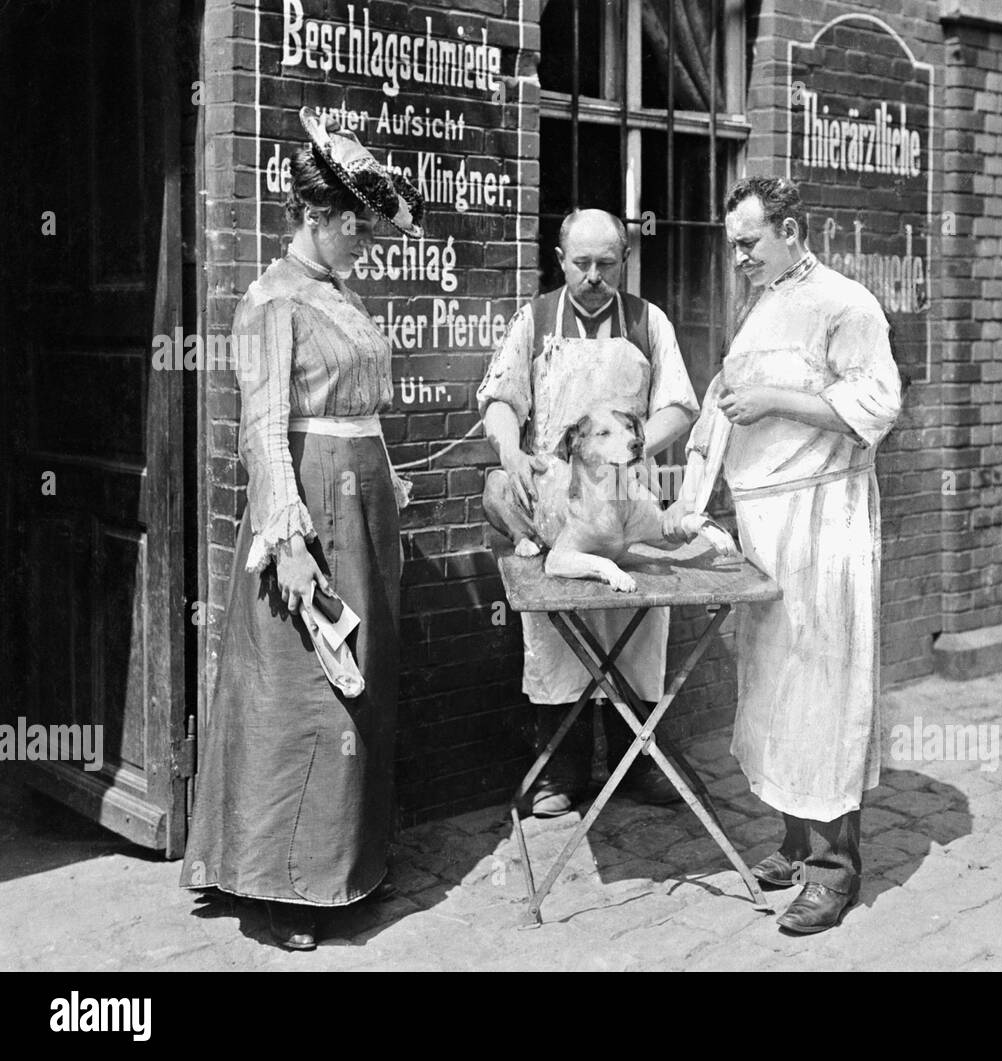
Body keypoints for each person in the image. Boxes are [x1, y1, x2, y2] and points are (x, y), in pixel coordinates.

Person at [180, 108, 423, 951]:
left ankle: (339, 867)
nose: (367, 243)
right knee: (302, 687)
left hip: (362, 505)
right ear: (316, 219)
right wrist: (285, 541)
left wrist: (386, 484)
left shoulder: (338, 295)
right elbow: (262, 425)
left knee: (354, 684)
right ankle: (279, 887)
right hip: (311, 510)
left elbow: (362, 412)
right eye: (357, 229)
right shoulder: (271, 299)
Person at [664, 175, 903, 934]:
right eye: (733, 245)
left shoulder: (847, 303)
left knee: (823, 681)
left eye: (749, 242)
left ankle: (836, 870)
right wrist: (692, 500)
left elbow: (877, 404)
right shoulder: (765, 303)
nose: (737, 258)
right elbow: (723, 399)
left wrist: (773, 403)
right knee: (773, 681)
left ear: (791, 228)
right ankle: (797, 844)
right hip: (769, 524)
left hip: (824, 519)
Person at [477, 208, 699, 817]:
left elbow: (679, 406)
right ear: (560, 258)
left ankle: (639, 763)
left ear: (624, 260)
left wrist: (630, 453)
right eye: (582, 263)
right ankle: (564, 770)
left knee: (638, 625)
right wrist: (511, 452)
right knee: (557, 630)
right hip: (561, 500)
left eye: (607, 263)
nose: (594, 276)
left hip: (627, 500)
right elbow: (499, 398)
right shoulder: (536, 320)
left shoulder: (649, 322)